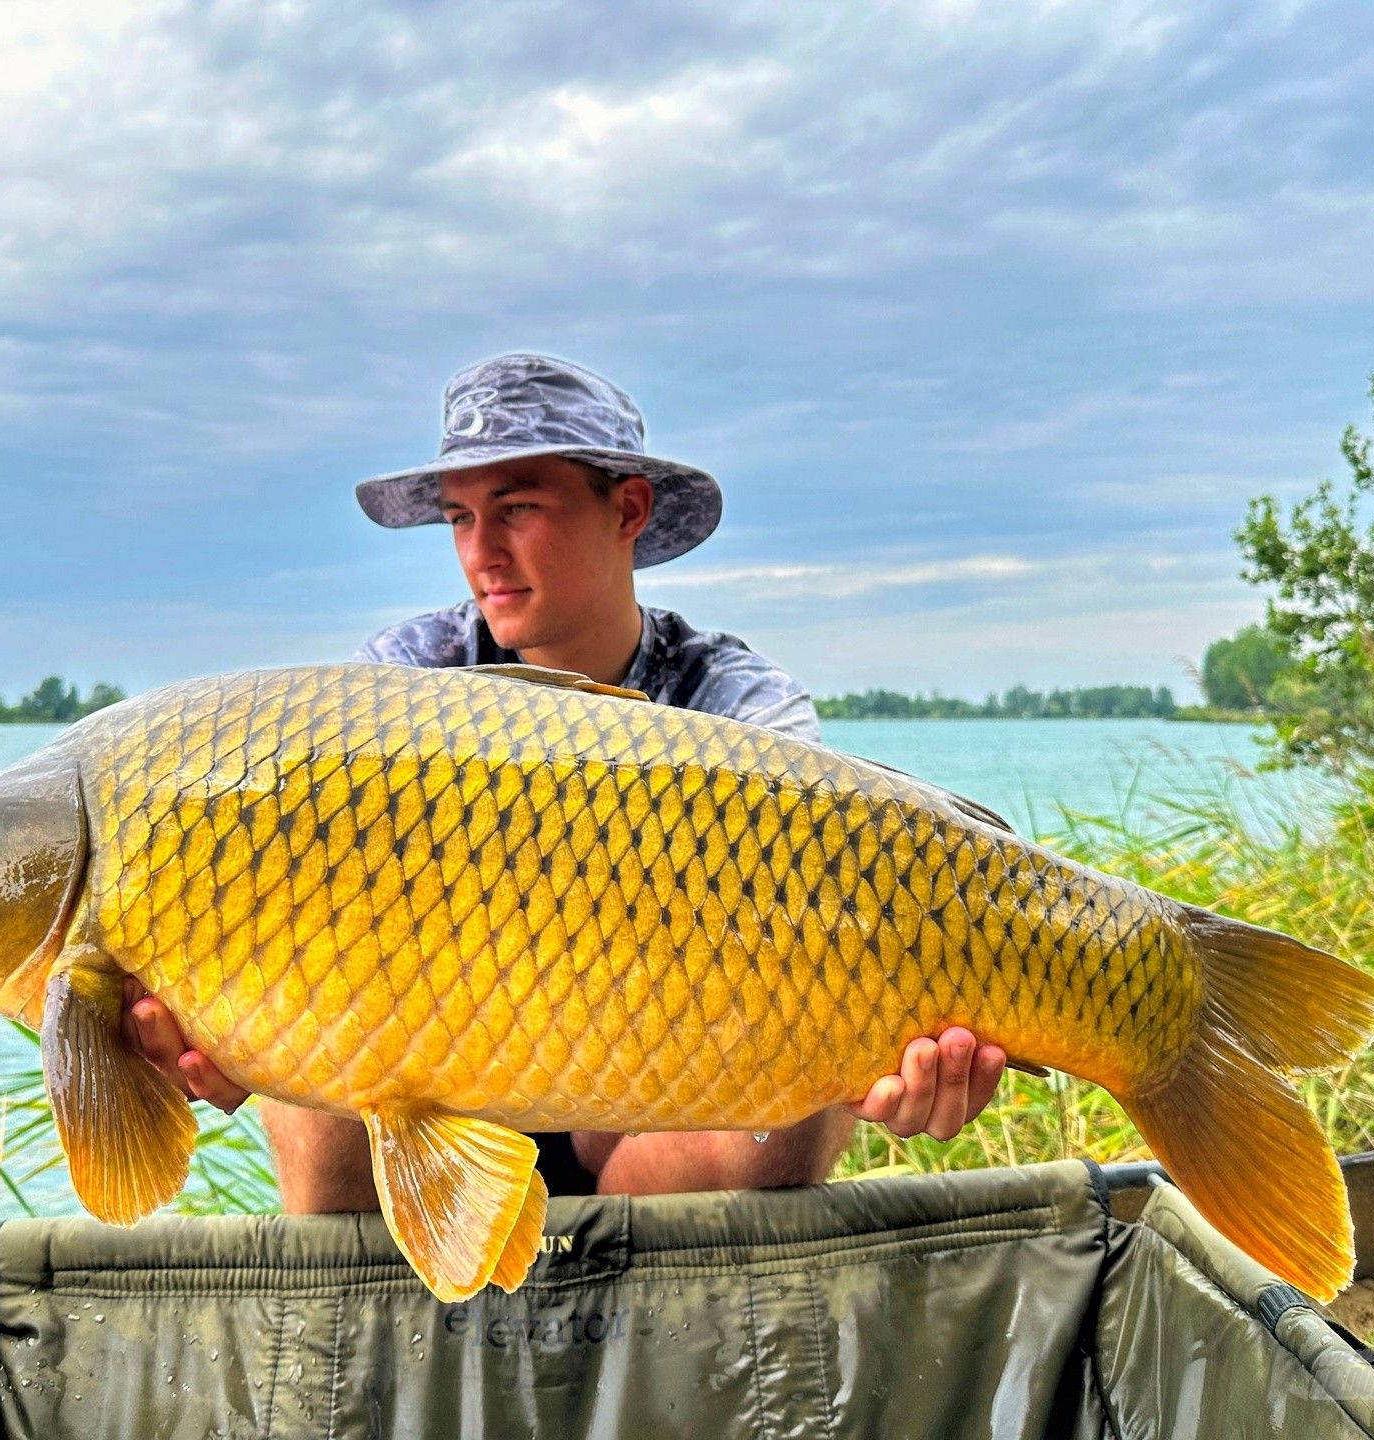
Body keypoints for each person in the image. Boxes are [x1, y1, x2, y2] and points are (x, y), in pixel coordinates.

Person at [124, 353, 1006, 1212]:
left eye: (517, 508)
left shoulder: (738, 704)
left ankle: (636, 1339)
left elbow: (813, 933)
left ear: (626, 509)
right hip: (441, 1078)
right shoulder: (401, 678)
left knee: (786, 1114)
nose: (482, 554)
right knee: (310, 1097)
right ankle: (380, 1338)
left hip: (661, 1090)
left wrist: (892, 1058)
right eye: (460, 518)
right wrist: (243, 1032)